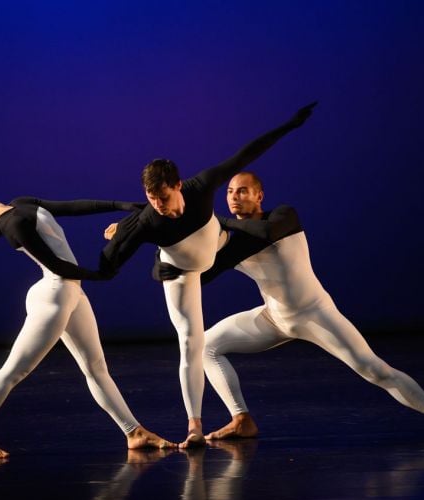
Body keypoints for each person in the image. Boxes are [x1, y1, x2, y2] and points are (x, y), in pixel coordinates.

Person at [152, 171, 424, 441]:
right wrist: (159, 243)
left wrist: (212, 223)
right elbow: (191, 274)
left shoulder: (283, 217)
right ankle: (242, 419)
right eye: (230, 192)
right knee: (205, 345)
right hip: (274, 317)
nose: (234, 197)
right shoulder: (230, 241)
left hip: (315, 314)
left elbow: (265, 233)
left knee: (373, 369)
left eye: (243, 191)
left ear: (260, 195)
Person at [97, 102, 317, 448]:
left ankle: (238, 420)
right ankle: (194, 427)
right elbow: (109, 265)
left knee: (229, 236)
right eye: (152, 200)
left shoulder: (201, 186)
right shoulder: (148, 220)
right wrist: (117, 235)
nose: (160, 206)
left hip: (213, 247)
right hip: (179, 271)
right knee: (192, 343)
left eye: (164, 198)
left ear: (179, 186)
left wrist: (290, 125)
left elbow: (246, 154)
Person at [0, 195, 176, 458]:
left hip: (69, 293)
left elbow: (70, 207)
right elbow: (56, 265)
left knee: (96, 368)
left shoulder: (19, 205)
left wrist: (121, 206)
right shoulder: (13, 226)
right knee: (14, 370)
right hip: (54, 295)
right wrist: (99, 275)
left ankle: (134, 432)